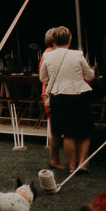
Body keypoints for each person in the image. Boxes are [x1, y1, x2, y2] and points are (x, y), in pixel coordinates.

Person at [38, 26, 96, 174]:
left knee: (67, 133)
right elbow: (90, 76)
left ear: (54, 41)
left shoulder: (48, 56)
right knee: (85, 131)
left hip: (58, 96)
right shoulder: (78, 55)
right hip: (78, 94)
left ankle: (71, 165)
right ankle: (82, 163)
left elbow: (43, 78)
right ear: (69, 40)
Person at [39, 27, 64, 170]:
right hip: (51, 92)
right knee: (55, 127)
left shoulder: (49, 53)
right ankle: (54, 158)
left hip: (52, 91)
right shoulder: (49, 54)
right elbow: (44, 77)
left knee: (56, 127)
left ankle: (56, 158)